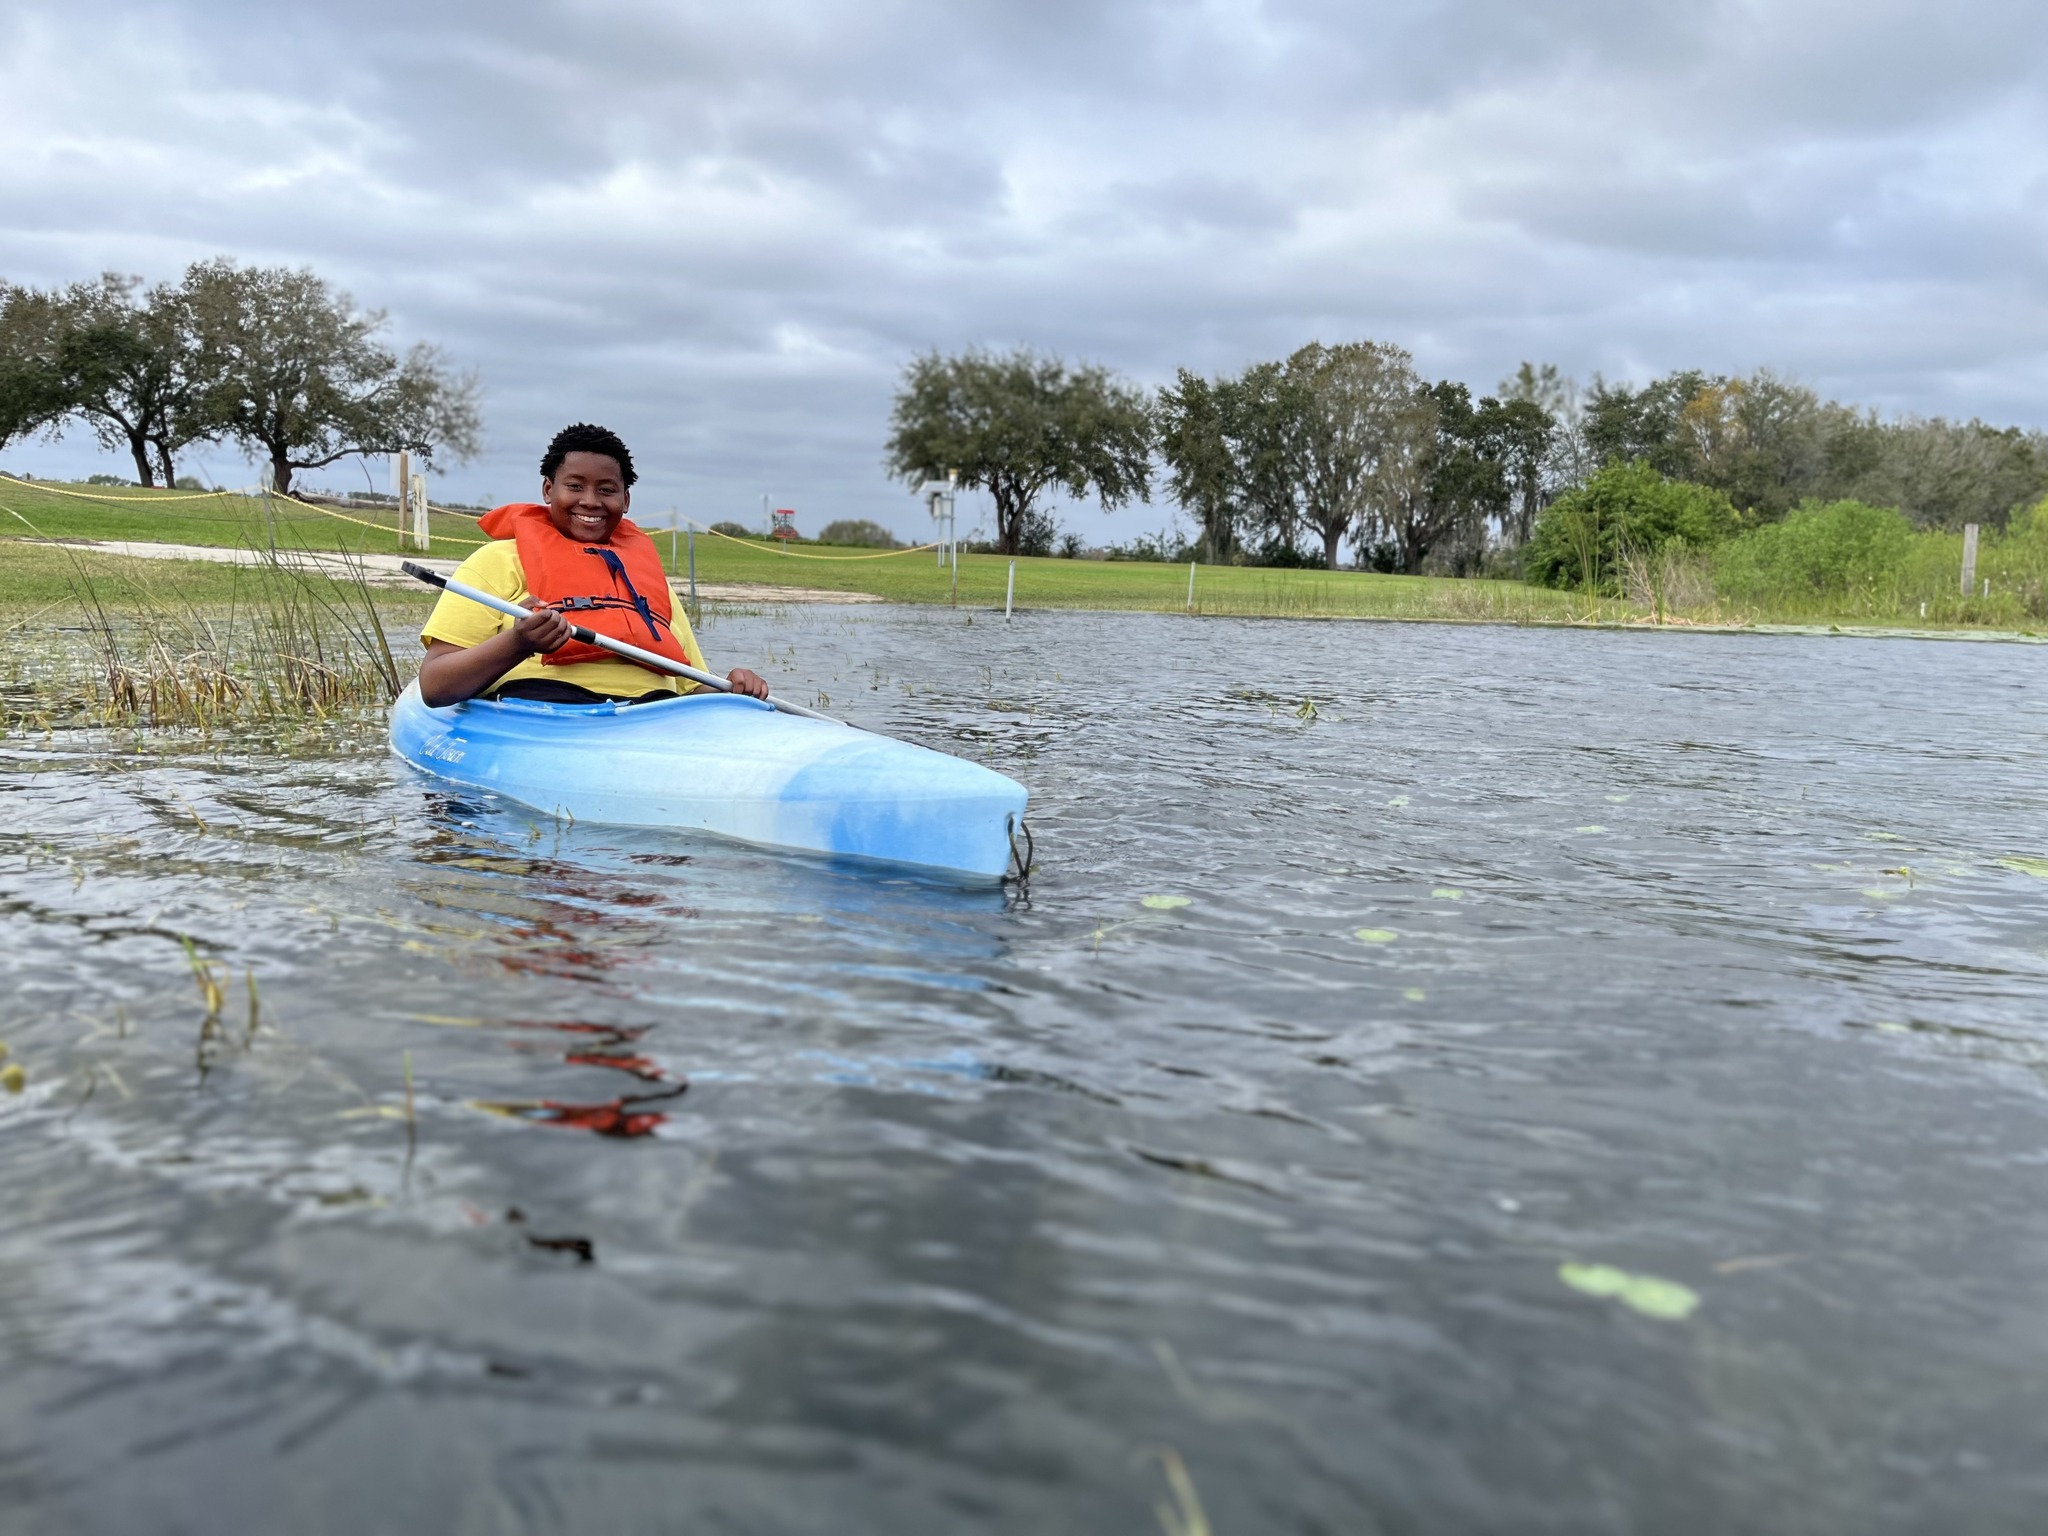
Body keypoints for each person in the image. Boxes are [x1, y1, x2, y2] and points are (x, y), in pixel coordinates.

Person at [417, 423, 770, 708]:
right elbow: (435, 687)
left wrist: (732, 690)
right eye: (574, 486)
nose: (590, 501)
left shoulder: (648, 583)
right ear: (548, 490)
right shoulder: (495, 563)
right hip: (541, 709)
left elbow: (690, 688)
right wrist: (519, 642)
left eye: (606, 490)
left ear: (625, 499)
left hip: (653, 715)